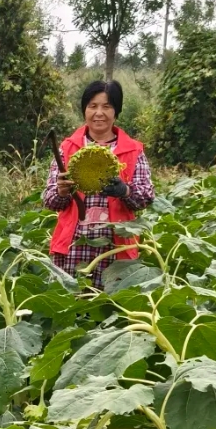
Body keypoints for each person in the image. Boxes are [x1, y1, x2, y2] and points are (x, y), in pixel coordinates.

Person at [44, 80, 155, 288]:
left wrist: (125, 191)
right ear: (84, 110)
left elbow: (146, 196)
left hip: (116, 249)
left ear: (116, 111)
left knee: (110, 310)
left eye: (107, 106)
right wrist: (61, 191)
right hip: (73, 246)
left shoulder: (132, 150)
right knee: (69, 306)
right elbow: (49, 200)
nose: (99, 113)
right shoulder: (68, 148)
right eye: (92, 106)